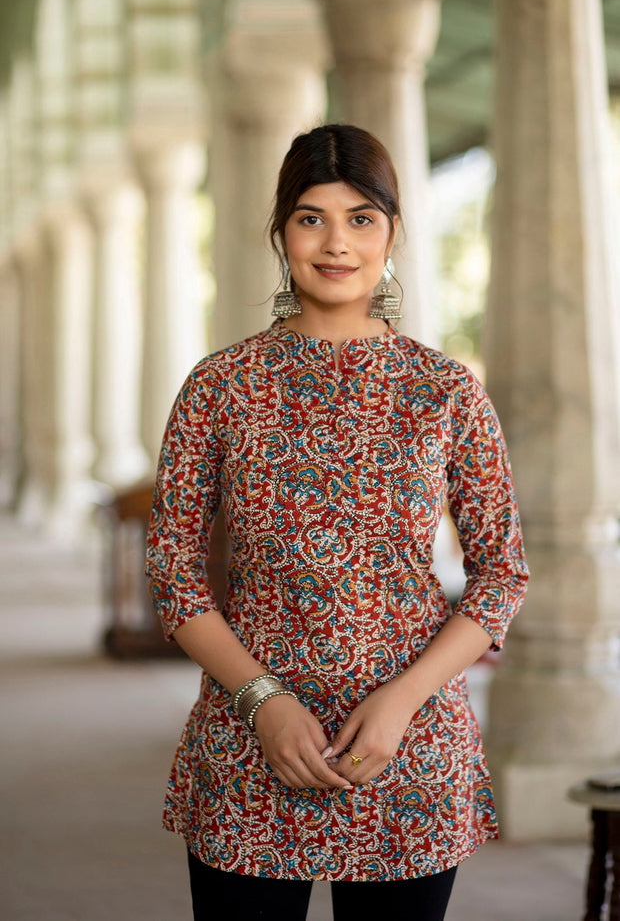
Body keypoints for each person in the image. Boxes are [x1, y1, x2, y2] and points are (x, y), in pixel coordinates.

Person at [145, 123, 529, 921]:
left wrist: (402, 702)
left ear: (392, 233)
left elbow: (502, 572)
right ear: (281, 232)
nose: (336, 242)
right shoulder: (220, 386)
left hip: (409, 751)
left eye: (361, 218)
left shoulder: (445, 390)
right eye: (311, 217)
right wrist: (264, 701)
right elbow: (174, 570)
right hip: (249, 745)